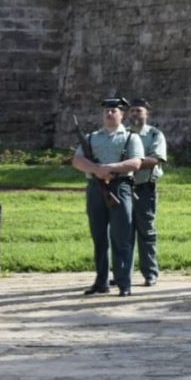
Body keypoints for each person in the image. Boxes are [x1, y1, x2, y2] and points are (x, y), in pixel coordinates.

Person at [71, 97, 143, 296]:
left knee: (122, 237)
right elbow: (77, 160)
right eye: (107, 111)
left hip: (120, 187)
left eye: (114, 111)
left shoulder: (131, 138)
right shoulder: (92, 137)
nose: (109, 114)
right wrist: (96, 170)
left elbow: (136, 163)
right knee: (99, 237)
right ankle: (101, 281)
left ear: (122, 114)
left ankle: (124, 283)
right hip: (96, 188)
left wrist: (109, 168)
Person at [127, 98, 167, 288]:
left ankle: (150, 273)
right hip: (124, 188)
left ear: (146, 114)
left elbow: (157, 158)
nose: (135, 114)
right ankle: (122, 272)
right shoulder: (123, 134)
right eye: (133, 111)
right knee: (122, 232)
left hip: (144, 187)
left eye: (139, 111)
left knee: (146, 232)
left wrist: (129, 164)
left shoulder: (154, 135)